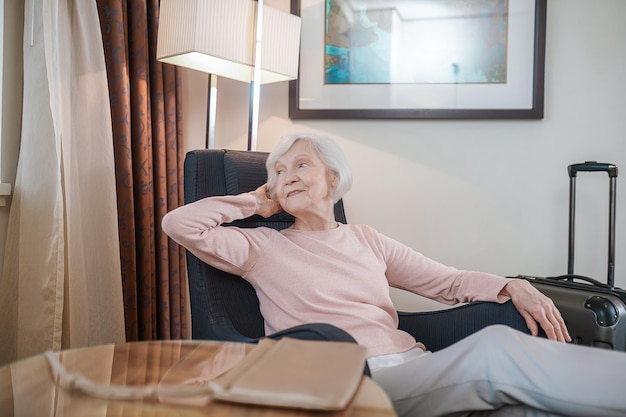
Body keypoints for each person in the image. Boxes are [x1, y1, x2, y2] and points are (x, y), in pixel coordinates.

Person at [162, 133, 626, 417]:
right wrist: (255, 202)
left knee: (526, 406)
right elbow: (178, 224)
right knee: (495, 352)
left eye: (301, 165)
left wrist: (511, 285)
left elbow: (444, 281)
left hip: (412, 368)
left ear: (333, 178)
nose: (288, 177)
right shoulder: (260, 248)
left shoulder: (366, 239)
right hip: (349, 383)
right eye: (278, 172)